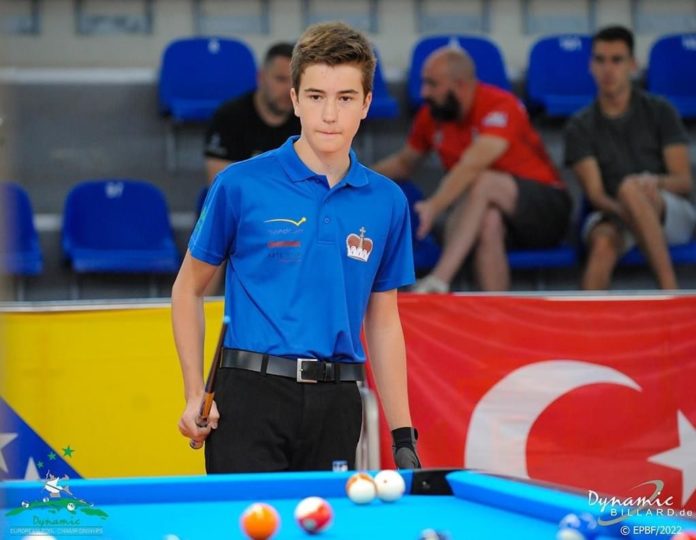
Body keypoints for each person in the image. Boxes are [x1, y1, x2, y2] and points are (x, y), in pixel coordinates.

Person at [173, 21, 421, 473]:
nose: (330, 114)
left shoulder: (388, 201)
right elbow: (187, 288)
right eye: (316, 96)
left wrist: (402, 435)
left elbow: (384, 320)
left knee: (322, 517)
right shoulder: (239, 183)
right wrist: (194, 394)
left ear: (366, 103)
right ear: (294, 100)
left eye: (345, 98)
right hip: (249, 395)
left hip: (338, 402)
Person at [374, 47, 571, 292]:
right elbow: (404, 164)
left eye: (432, 84)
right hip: (495, 214)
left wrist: (434, 206)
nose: (424, 92)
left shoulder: (501, 105)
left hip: (547, 208)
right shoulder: (431, 115)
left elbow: (473, 164)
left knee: (484, 180)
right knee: (489, 221)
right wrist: (355, 176)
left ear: (460, 85)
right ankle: (496, 311)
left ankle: (439, 280)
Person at [564, 25, 695, 290]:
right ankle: (588, 318)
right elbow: (596, 195)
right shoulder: (579, 125)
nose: (608, 69)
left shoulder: (661, 110)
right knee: (603, 242)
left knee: (631, 188)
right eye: (600, 60)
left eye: (617, 60)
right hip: (613, 212)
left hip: (669, 212)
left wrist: (653, 183)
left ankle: (669, 291)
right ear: (590, 66)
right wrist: (632, 210)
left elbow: (684, 182)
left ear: (632, 65)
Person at [203, 42, 300, 183]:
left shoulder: (306, 118)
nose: (289, 89)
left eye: (296, 82)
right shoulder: (229, 117)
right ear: (261, 77)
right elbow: (221, 183)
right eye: (281, 79)